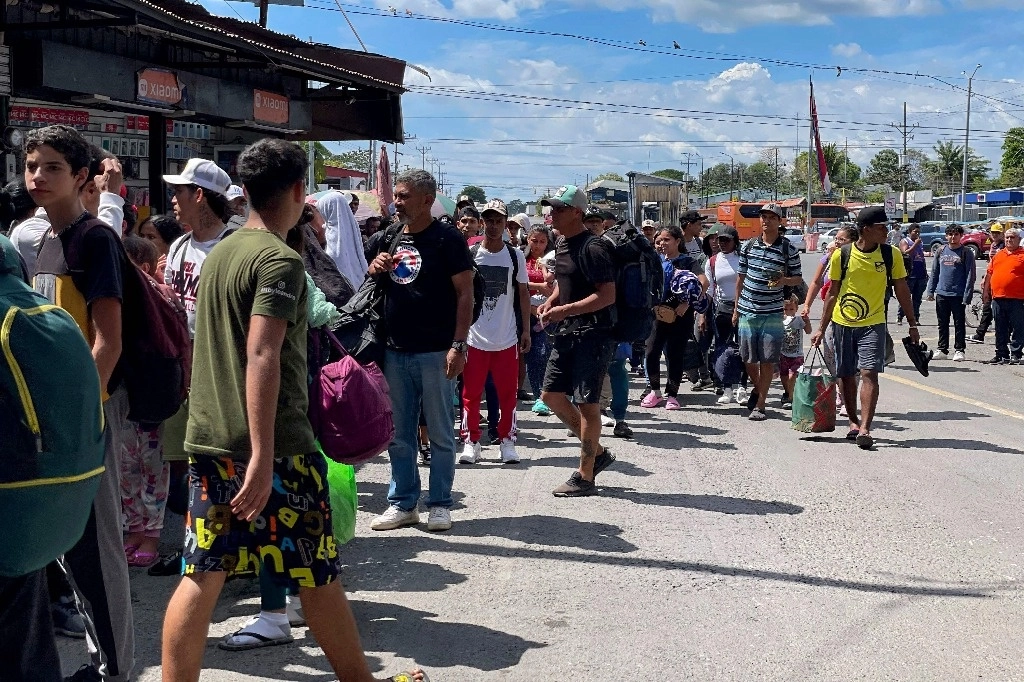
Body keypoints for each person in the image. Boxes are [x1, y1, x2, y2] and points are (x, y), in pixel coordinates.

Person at [160, 138, 427, 682]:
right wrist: (261, 456)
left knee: (203, 572)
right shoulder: (278, 260)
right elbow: (263, 353)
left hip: (210, 438)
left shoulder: (222, 253)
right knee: (317, 571)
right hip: (275, 448)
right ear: (300, 191)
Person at [26, 124, 135, 682]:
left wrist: (81, 413)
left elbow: (108, 340)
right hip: (57, 411)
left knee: (97, 543)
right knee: (69, 543)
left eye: (52, 168)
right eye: (32, 166)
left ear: (82, 178)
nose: (38, 177)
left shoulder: (93, 239)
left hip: (89, 410)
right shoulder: (43, 238)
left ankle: (116, 667)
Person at [368, 170, 475, 533]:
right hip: (394, 351)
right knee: (399, 434)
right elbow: (371, 281)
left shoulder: (447, 239)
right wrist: (375, 266)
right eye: (396, 196)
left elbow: (465, 293)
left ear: (427, 200)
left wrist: (458, 345)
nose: (396, 202)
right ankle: (403, 504)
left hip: (436, 351)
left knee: (442, 433)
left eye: (404, 196)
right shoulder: (388, 235)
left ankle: (441, 503)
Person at [810, 206, 920, 450]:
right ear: (866, 229)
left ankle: (866, 429)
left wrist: (912, 323)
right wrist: (821, 328)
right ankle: (852, 421)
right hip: (843, 323)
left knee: (869, 372)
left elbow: (902, 289)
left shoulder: (891, 255)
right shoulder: (842, 255)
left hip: (874, 324)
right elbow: (832, 294)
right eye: (881, 227)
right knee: (846, 374)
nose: (886, 231)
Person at [537, 185, 617, 497]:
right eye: (551, 208)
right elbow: (565, 282)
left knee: (587, 404)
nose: (551, 213)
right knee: (551, 395)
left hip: (593, 335)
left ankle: (585, 476)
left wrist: (565, 310)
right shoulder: (562, 242)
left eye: (558, 208)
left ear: (577, 213)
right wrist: (552, 301)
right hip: (568, 333)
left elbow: (607, 295)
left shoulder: (594, 247)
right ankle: (597, 453)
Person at [459, 199, 530, 465]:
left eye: (498, 220)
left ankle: (507, 440)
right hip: (475, 336)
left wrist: (525, 330)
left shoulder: (515, 255)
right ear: (481, 222)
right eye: (488, 220)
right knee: (471, 392)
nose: (493, 225)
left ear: (505, 223)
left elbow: (522, 293)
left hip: (506, 336)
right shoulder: (471, 252)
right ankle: (471, 441)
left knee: (507, 394)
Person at [119, 235, 172, 568]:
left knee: (153, 469)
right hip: (127, 396)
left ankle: (151, 535)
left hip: (153, 396)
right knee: (127, 468)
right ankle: (134, 530)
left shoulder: (161, 296)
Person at [733, 203, 803, 421]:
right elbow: (740, 279)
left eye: (772, 217)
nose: (766, 220)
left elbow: (798, 278)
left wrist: (783, 280)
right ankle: (757, 388)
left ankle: (760, 405)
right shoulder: (748, 246)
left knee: (768, 360)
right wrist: (736, 308)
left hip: (773, 312)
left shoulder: (787, 249)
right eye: (763, 216)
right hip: (747, 309)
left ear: (779, 221)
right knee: (747, 357)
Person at [162, 158, 234, 338]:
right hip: (182, 351)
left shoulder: (232, 248)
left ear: (198, 195)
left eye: (178, 191)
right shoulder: (178, 246)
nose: (173, 199)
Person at [584, 207, 635, 435]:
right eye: (589, 221)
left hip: (614, 318)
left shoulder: (614, 247)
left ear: (604, 223)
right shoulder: (574, 245)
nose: (593, 225)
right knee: (584, 369)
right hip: (585, 319)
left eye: (597, 221)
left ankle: (620, 418)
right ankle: (586, 417)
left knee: (616, 367)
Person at [642, 225, 702, 410]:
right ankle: (655, 392)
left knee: (675, 355)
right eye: (658, 241)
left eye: (666, 240)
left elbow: (703, 282)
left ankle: (673, 395)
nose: (661, 244)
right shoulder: (654, 261)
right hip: (656, 315)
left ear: (678, 241)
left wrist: (687, 303)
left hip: (680, 316)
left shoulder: (688, 262)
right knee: (651, 352)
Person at [702, 225, 748, 405]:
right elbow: (710, 290)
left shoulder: (743, 259)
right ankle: (727, 387)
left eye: (726, 240)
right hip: (721, 310)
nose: (721, 243)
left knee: (743, 348)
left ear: (735, 241)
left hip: (744, 308)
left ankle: (742, 387)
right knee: (723, 348)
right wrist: (703, 314)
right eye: (719, 239)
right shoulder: (712, 262)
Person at [926, 224, 975, 362]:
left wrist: (967, 295)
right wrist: (930, 291)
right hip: (942, 293)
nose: (953, 237)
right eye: (950, 234)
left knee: (959, 323)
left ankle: (959, 350)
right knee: (942, 323)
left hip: (958, 294)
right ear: (946, 236)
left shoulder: (966, 252)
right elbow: (935, 272)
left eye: (956, 234)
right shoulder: (941, 251)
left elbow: (970, 275)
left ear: (961, 236)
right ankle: (942, 349)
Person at [524, 224, 556, 416]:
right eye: (534, 241)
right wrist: (538, 286)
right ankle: (538, 396)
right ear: (528, 239)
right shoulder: (520, 257)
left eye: (542, 241)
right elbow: (515, 282)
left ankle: (550, 395)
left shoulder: (552, 259)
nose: (537, 245)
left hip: (549, 313)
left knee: (547, 355)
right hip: (526, 312)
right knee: (533, 356)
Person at [982, 226, 1024, 365]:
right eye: (1007, 237)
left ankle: (1016, 354)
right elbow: (989, 274)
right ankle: (1001, 354)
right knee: (1000, 328)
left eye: (1012, 237)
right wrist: (985, 293)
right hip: (998, 298)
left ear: (1019, 239)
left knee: (1019, 327)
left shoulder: (1022, 255)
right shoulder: (998, 255)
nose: (1009, 240)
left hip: (1018, 299)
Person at [317, 190, 366, 294]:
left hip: (341, 288)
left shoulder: (333, 232)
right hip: (358, 283)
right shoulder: (352, 224)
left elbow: (335, 257)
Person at [971, 222, 1006, 344]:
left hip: (1000, 280)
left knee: (994, 308)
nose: (995, 235)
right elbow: (990, 263)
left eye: (998, 233)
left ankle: (982, 334)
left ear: (1002, 233)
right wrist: (985, 278)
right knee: (988, 307)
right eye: (993, 233)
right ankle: (980, 334)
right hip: (991, 278)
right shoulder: (993, 246)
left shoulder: (1004, 246)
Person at [780, 295, 812, 408]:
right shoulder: (781, 321)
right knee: (783, 375)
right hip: (783, 354)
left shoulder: (799, 320)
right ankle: (788, 392)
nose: (788, 312)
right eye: (785, 309)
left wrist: (806, 321)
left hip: (797, 354)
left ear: (796, 309)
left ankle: (790, 398)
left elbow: (808, 331)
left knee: (792, 375)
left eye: (791, 309)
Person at [137, 213, 184, 281]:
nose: (143, 241)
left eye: (151, 237)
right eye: (141, 236)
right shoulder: (135, 265)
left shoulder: (176, 269)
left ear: (169, 242)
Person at [897, 223, 928, 326]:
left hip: (920, 274)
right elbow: (905, 253)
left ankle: (916, 317)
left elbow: (922, 257)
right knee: (906, 297)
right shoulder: (905, 241)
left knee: (917, 298)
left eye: (918, 232)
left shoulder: (919, 242)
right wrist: (915, 244)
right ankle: (900, 316)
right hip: (910, 274)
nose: (917, 234)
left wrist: (925, 272)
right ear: (910, 232)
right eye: (915, 232)